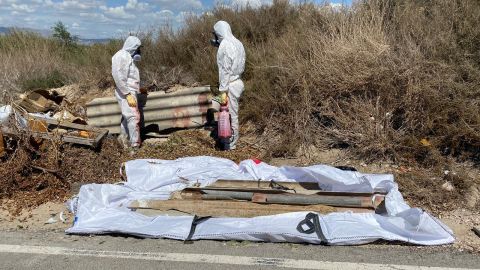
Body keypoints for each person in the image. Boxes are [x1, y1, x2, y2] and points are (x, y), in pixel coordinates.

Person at [210, 21, 246, 150]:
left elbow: (225, 69)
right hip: (238, 82)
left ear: (219, 32)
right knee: (231, 113)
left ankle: (230, 144)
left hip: (229, 85)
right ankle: (229, 141)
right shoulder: (237, 42)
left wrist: (223, 91)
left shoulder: (225, 45)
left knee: (230, 114)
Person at [112, 36, 143, 153]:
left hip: (129, 91)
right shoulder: (121, 56)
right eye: (138, 48)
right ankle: (134, 146)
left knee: (127, 117)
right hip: (126, 92)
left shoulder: (127, 57)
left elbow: (130, 77)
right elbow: (118, 76)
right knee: (133, 117)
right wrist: (127, 94)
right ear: (133, 46)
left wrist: (139, 89)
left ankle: (123, 141)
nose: (139, 51)